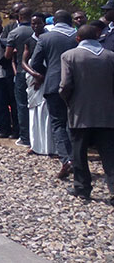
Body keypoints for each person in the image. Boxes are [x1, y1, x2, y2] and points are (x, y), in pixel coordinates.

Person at [59, 24, 114, 202]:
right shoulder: (110, 56)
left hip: (79, 113)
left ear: (77, 38)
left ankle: (82, 188)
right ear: (98, 36)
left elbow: (66, 85)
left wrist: (69, 102)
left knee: (79, 152)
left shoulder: (70, 56)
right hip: (107, 113)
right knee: (109, 153)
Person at [30, 10, 78, 180]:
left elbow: (35, 62)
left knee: (58, 123)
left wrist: (47, 72)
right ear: (70, 21)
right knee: (74, 124)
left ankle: (66, 159)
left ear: (54, 21)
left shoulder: (45, 38)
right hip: (77, 85)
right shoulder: (78, 36)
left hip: (53, 83)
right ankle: (77, 159)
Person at [22, 13, 55, 156]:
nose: (35, 26)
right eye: (33, 23)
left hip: (47, 78)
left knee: (46, 111)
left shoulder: (48, 39)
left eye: (38, 23)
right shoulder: (29, 40)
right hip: (34, 77)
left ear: (44, 24)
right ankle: (35, 144)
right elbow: (24, 62)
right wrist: (35, 75)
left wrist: (42, 77)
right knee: (34, 111)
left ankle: (49, 146)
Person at [5, 7, 34, 145]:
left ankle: (25, 137)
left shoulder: (14, 32)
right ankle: (38, 137)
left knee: (22, 105)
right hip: (38, 71)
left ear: (19, 17)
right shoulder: (39, 30)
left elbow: (7, 55)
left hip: (22, 71)